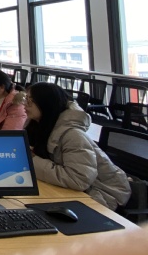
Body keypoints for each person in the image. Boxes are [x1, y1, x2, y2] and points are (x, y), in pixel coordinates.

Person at [24, 82, 131, 210]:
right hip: (72, 189)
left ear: (46, 104)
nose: (25, 104)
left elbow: (78, 179)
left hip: (101, 194)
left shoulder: (73, 135)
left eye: (30, 101)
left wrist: (32, 160)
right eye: (26, 99)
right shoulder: (38, 125)